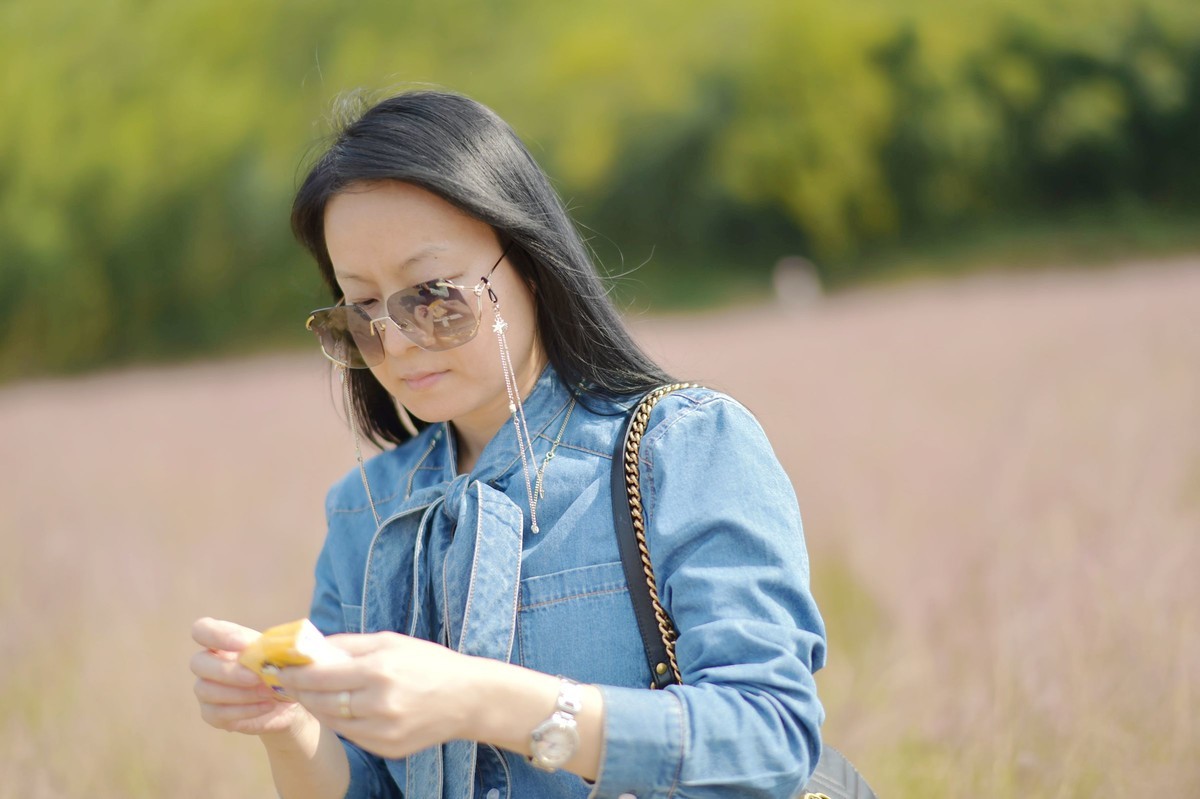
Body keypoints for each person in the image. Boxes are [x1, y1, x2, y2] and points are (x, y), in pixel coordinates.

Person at [190, 89, 827, 799]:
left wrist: (480, 698)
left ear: (527, 263)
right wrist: (290, 725)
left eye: (432, 294)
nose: (396, 340)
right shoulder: (363, 513)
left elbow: (771, 735)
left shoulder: (683, 447)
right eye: (362, 308)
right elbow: (366, 784)